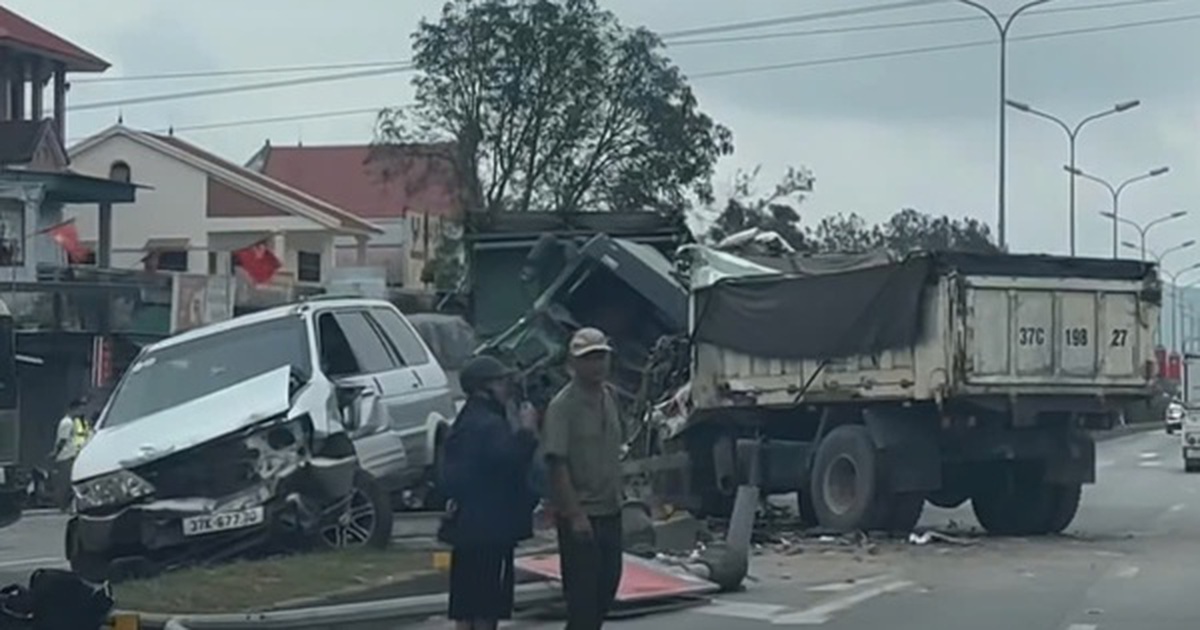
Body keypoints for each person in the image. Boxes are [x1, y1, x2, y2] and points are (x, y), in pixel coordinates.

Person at [441, 355, 540, 630]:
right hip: (490, 529)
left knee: (466, 604)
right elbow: (507, 461)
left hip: (468, 528)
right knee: (486, 606)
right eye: (500, 381)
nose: (507, 387)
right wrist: (527, 432)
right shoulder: (489, 425)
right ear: (482, 387)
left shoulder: (465, 421)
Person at [542, 327, 625, 630]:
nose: (597, 364)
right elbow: (557, 462)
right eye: (589, 358)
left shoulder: (611, 396)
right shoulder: (563, 406)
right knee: (582, 601)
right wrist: (574, 514)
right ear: (573, 363)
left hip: (611, 510)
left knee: (607, 589)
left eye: (601, 357)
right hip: (582, 515)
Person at [52, 397, 90, 510]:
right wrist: (55, 453)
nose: (82, 411)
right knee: (65, 483)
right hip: (66, 456)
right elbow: (62, 440)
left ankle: (69, 505)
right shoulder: (66, 422)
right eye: (80, 408)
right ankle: (62, 505)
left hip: (74, 456)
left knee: (73, 482)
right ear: (74, 408)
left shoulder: (77, 422)